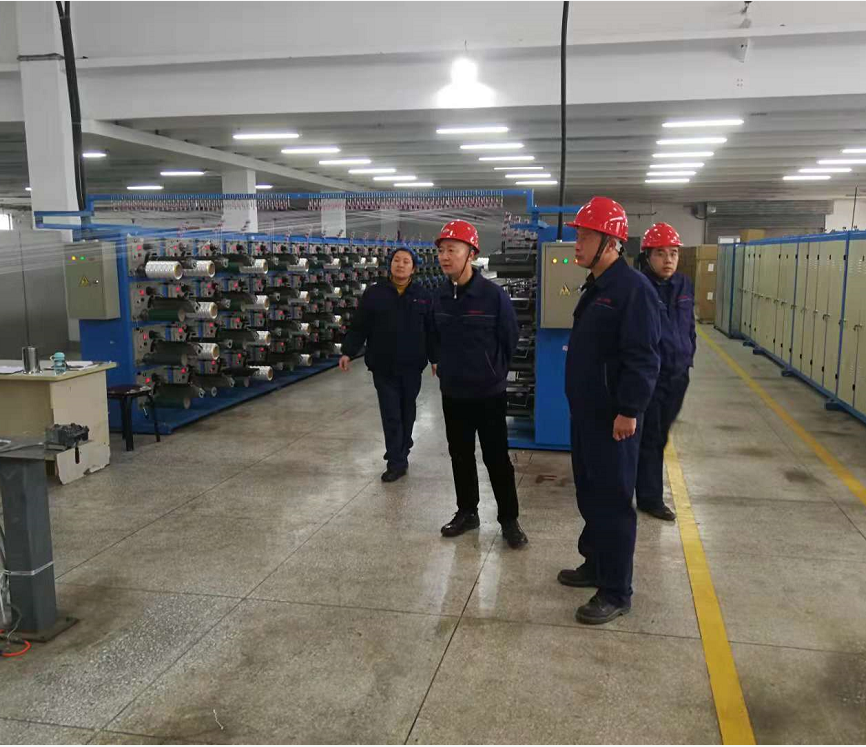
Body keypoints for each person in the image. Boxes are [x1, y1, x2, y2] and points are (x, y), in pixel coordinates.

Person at [557, 197, 661, 625]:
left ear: (610, 242)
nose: (576, 243)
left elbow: (643, 357)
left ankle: (616, 590)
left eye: (585, 236)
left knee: (614, 501)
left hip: (614, 419)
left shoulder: (633, 290)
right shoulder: (597, 285)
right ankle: (596, 564)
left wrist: (629, 410)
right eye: (579, 235)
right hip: (587, 414)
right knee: (590, 494)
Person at [432, 219, 527, 548]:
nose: (445, 257)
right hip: (453, 392)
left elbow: (510, 337)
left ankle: (509, 520)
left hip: (488, 393)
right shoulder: (439, 295)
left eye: (452, 250)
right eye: (441, 251)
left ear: (471, 253)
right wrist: (441, 364)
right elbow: (433, 335)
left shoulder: (492, 295)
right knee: (460, 454)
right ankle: (467, 512)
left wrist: (494, 371)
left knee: (496, 458)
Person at [339, 246, 437, 482]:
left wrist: (436, 358)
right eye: (396, 260)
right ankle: (396, 461)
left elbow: (432, 330)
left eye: (405, 261)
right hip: (383, 365)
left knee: (407, 411)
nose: (400, 265)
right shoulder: (375, 294)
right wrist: (348, 352)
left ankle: (403, 445)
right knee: (391, 413)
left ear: (413, 268)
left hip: (412, 365)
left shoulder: (423, 295)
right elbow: (360, 325)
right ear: (390, 265)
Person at [635, 223, 696, 521]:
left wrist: (688, 355)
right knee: (651, 437)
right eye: (660, 253)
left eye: (673, 253)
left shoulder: (683, 285)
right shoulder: (638, 287)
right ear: (647, 256)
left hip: (678, 374)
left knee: (659, 435)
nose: (668, 260)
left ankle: (643, 487)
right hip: (652, 377)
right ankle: (650, 498)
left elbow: (689, 326)